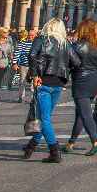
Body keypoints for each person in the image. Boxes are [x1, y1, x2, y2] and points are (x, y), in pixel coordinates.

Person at [23, 18, 79, 163]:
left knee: (44, 119)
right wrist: (65, 71)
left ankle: (54, 151)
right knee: (45, 117)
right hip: (58, 84)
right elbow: (76, 62)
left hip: (43, 82)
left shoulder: (42, 39)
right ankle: (31, 145)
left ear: (48, 26)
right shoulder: (65, 43)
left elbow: (32, 55)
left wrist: (35, 75)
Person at [63, 18, 97, 156]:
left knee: (85, 114)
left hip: (81, 82)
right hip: (95, 81)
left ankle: (95, 142)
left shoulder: (77, 46)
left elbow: (70, 65)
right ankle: (71, 143)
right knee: (81, 113)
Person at [13, 28, 36, 103]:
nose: (30, 37)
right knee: (22, 81)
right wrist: (14, 63)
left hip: (34, 66)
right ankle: (21, 97)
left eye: (32, 35)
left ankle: (33, 97)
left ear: (35, 35)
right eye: (29, 35)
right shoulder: (22, 43)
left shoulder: (38, 43)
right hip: (24, 65)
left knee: (34, 82)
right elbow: (17, 53)